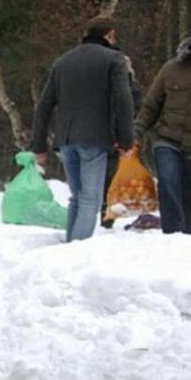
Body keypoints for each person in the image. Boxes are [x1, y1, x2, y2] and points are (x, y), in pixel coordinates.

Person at [32, 16, 135, 242]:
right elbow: (123, 99)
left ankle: (71, 244)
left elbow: (44, 105)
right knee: (90, 199)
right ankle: (76, 251)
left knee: (77, 197)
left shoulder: (63, 61)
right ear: (109, 34)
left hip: (66, 139)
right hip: (95, 138)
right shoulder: (114, 59)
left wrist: (38, 145)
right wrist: (127, 140)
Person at [133, 36, 191, 234]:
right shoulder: (171, 69)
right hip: (167, 139)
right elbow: (151, 105)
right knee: (168, 181)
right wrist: (137, 131)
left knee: (187, 192)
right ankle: (172, 233)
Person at [101, 51, 143, 229]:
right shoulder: (132, 88)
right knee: (114, 176)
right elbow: (136, 112)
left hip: (110, 136)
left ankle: (106, 211)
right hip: (123, 137)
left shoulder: (107, 86)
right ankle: (108, 211)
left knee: (107, 176)